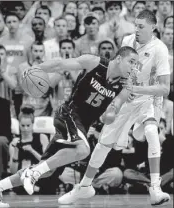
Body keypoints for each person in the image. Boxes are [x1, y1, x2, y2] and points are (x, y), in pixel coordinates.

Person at [0, 46, 139, 207]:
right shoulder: (95, 63)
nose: (133, 67)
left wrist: (111, 114)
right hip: (69, 113)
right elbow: (59, 64)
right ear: (119, 58)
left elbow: (112, 110)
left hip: (82, 126)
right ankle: (32, 173)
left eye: (136, 64)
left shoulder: (125, 86)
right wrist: (36, 68)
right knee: (83, 150)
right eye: (131, 62)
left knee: (48, 170)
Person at [59, 10, 171, 206]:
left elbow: (164, 88)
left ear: (153, 27)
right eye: (135, 25)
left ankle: (155, 187)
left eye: (141, 26)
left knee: (152, 131)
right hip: (124, 100)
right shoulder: (127, 40)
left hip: (146, 100)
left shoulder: (160, 49)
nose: (136, 29)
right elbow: (119, 70)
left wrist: (135, 88)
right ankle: (84, 187)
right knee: (103, 145)